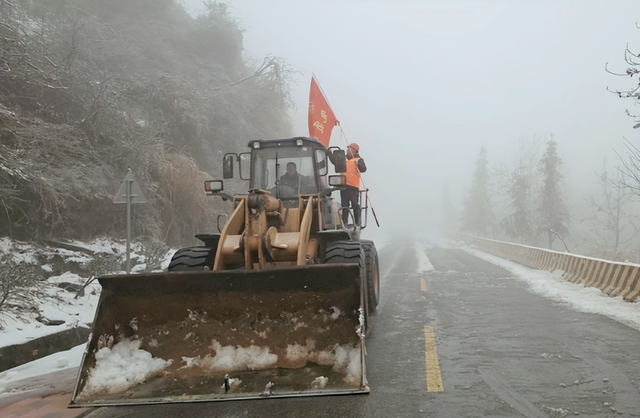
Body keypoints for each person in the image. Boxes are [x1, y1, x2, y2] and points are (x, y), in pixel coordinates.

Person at [341, 143, 367, 225]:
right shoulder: (343, 159)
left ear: (355, 151)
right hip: (344, 185)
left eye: (350, 148)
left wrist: (359, 164)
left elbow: (363, 169)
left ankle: (357, 222)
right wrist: (329, 154)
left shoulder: (359, 160)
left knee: (355, 204)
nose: (348, 150)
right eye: (348, 148)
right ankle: (344, 222)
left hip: (353, 186)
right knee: (344, 205)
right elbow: (335, 163)